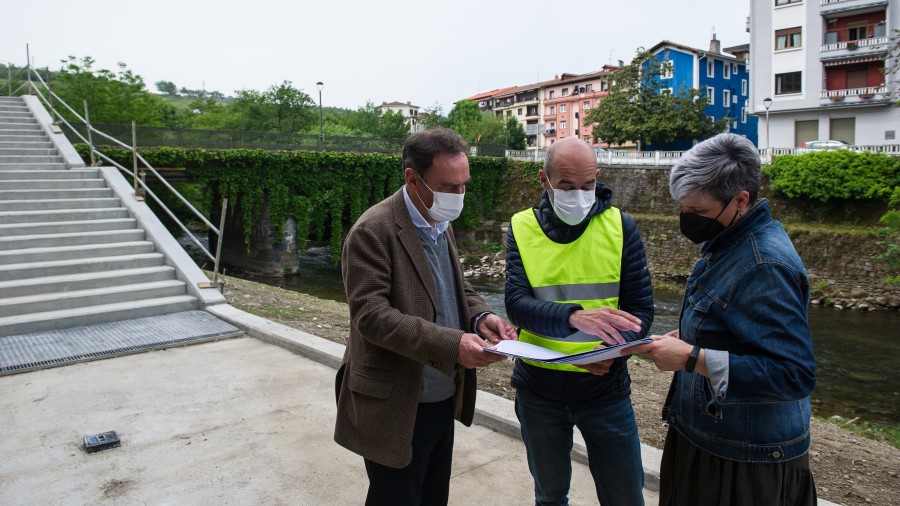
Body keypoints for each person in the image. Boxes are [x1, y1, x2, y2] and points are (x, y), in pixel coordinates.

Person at [625, 133, 817, 505]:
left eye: (697, 211)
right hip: (714, 436)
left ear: (740, 201)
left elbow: (794, 373)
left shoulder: (765, 264)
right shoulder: (729, 242)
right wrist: (690, 333)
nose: (687, 219)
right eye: (683, 208)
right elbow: (734, 324)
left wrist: (689, 358)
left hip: (745, 457)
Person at [334, 128, 518, 506]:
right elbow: (371, 317)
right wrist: (453, 344)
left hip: (441, 394)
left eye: (464, 185)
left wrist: (481, 316)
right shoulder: (372, 230)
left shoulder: (438, 223)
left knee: (434, 497)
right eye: (450, 187)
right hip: (395, 401)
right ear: (412, 178)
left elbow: (454, 287)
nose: (459, 196)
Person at [505, 137, 654, 505]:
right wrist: (576, 318)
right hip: (539, 389)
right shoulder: (522, 227)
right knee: (551, 496)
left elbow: (641, 312)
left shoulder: (622, 227)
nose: (579, 195)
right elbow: (517, 306)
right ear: (545, 180)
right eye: (567, 186)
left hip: (605, 389)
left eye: (587, 185)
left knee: (625, 496)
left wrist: (616, 351)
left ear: (598, 177)